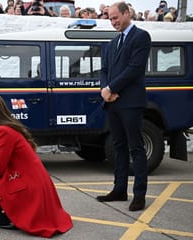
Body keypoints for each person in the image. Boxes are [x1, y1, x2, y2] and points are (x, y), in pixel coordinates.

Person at [0, 93, 73, 238]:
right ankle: (7, 214)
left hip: (28, 187)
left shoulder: (3, 131)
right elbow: (2, 162)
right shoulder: (3, 128)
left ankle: (6, 219)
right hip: (30, 182)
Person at [98, 2, 151, 212]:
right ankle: (119, 189)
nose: (113, 22)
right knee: (118, 147)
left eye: (115, 17)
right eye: (110, 19)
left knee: (136, 148)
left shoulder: (141, 37)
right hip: (113, 103)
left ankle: (139, 195)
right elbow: (103, 70)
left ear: (127, 13)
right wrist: (105, 89)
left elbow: (135, 69)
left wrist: (111, 87)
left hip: (131, 103)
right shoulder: (111, 44)